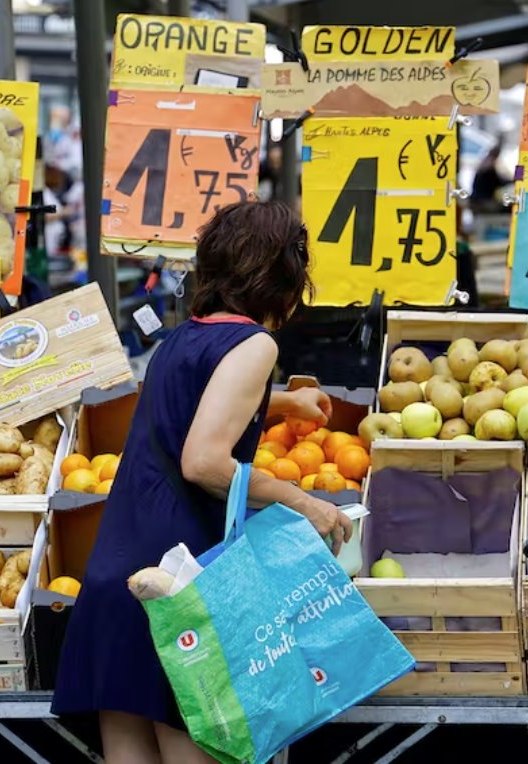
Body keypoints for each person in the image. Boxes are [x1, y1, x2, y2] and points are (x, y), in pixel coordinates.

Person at [52, 201, 353, 764]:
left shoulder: (179, 339)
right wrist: (300, 499)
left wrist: (286, 403)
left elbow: (186, 408)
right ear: (285, 273)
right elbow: (204, 462)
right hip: (180, 586)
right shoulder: (255, 344)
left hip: (119, 573)